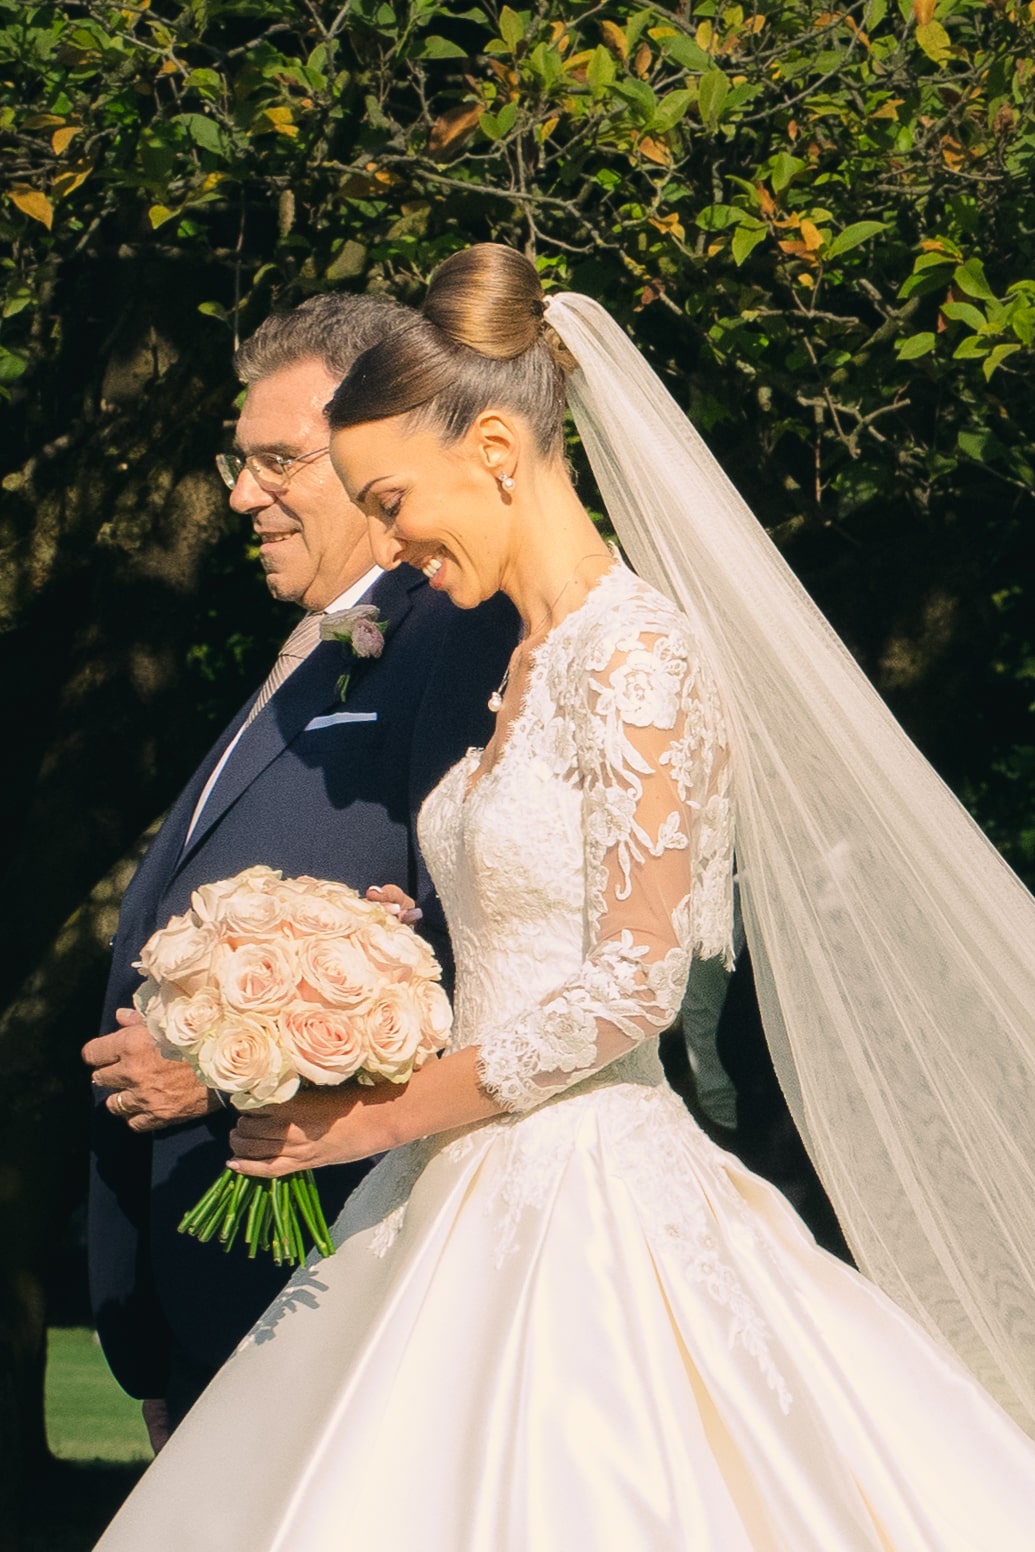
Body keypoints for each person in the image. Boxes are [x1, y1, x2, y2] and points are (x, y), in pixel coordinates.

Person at [95, 247, 1035, 1549]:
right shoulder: (509, 666)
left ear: (492, 447)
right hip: (445, 1192)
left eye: (394, 498)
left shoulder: (637, 656)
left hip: (590, 1201)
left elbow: (633, 984)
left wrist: (365, 1116)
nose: (395, 542)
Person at [82, 290, 517, 1447]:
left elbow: (475, 939)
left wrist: (221, 1064)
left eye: (279, 460)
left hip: (321, 1265)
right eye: (240, 459)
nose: (240, 495)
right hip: (208, 1295)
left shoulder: (456, 631)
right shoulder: (327, 645)